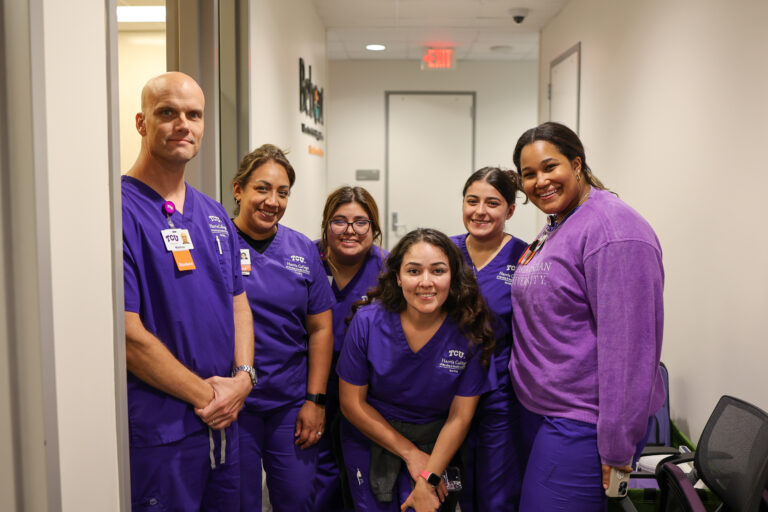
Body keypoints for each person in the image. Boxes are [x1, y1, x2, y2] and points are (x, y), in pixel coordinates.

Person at [510, 122, 665, 511]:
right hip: (547, 409)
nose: (540, 181)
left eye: (551, 167)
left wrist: (616, 448)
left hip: (584, 422)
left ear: (577, 164)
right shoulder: (561, 222)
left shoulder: (614, 231)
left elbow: (629, 350)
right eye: (529, 174)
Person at [122, 72, 255, 510]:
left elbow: (239, 305)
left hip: (223, 427)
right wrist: (209, 398)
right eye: (167, 113)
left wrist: (243, 379)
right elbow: (126, 334)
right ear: (142, 123)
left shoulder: (215, 215)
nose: (183, 124)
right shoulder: (118, 212)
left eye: (193, 114)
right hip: (164, 432)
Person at [337, 228, 494, 512]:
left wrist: (428, 477)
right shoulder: (367, 322)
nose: (426, 282)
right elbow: (351, 404)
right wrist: (411, 454)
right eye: (413, 271)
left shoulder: (469, 331)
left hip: (438, 445)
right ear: (398, 277)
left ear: (453, 277)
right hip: (373, 436)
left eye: (438, 271)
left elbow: (460, 417)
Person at [231, 144, 334, 511]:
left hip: (290, 405)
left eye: (282, 192)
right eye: (262, 188)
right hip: (233, 405)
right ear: (238, 189)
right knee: (237, 502)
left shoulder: (302, 250)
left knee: (296, 499)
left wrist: (315, 400)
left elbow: (321, 329)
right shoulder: (216, 244)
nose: (272, 201)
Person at [449, 167, 528, 511]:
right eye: (472, 201)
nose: (480, 211)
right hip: (445, 388)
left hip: (500, 392)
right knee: (452, 484)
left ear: (510, 210)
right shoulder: (443, 252)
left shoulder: (527, 258)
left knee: (497, 490)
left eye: (492, 203)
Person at [313, 186, 388, 512]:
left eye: (361, 222)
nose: (350, 231)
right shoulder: (308, 261)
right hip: (311, 381)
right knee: (317, 475)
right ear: (326, 225)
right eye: (339, 221)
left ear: (374, 228)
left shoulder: (389, 269)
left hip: (365, 388)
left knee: (360, 475)